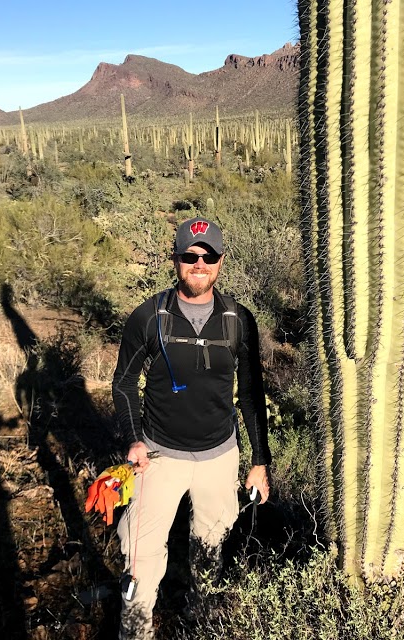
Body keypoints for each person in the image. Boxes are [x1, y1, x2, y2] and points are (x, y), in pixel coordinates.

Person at [111, 217, 271, 639]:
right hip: (157, 457)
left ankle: (202, 626)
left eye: (208, 256)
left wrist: (260, 461)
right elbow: (125, 383)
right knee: (139, 558)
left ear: (220, 262)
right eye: (190, 255)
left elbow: (252, 393)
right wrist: (132, 441)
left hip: (220, 457)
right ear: (176, 259)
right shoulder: (149, 316)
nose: (199, 264)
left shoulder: (239, 320)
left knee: (210, 552)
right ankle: (135, 633)